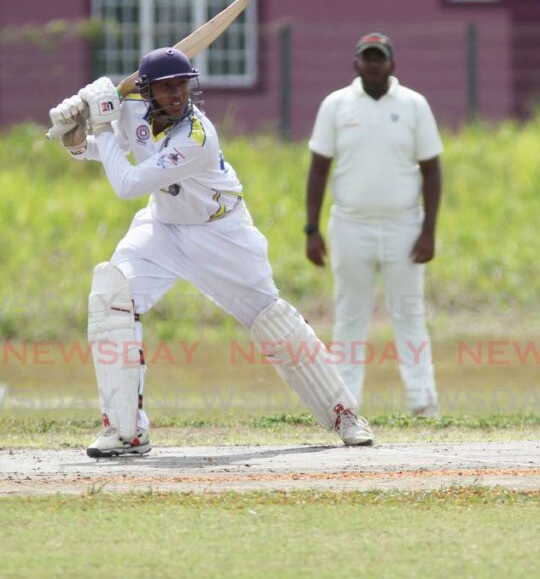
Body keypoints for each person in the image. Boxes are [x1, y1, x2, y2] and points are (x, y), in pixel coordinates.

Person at [47, 47, 374, 457]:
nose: (177, 95)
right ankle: (126, 432)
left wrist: (105, 123)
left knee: (272, 320)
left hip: (222, 235)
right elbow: (108, 150)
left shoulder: (197, 137)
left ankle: (344, 414)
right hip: (162, 228)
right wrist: (79, 138)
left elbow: (127, 183)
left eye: (182, 85)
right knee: (111, 297)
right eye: (166, 88)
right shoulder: (132, 112)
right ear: (146, 92)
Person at [305, 33, 443, 416]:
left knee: (409, 313)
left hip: (404, 226)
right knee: (350, 316)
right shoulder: (336, 105)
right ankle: (345, 406)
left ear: (392, 64)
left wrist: (428, 230)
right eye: (367, 58)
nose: (373, 64)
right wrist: (311, 229)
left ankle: (423, 403)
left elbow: (432, 170)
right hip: (351, 225)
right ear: (356, 64)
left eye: (379, 58)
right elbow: (318, 170)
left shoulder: (414, 105)